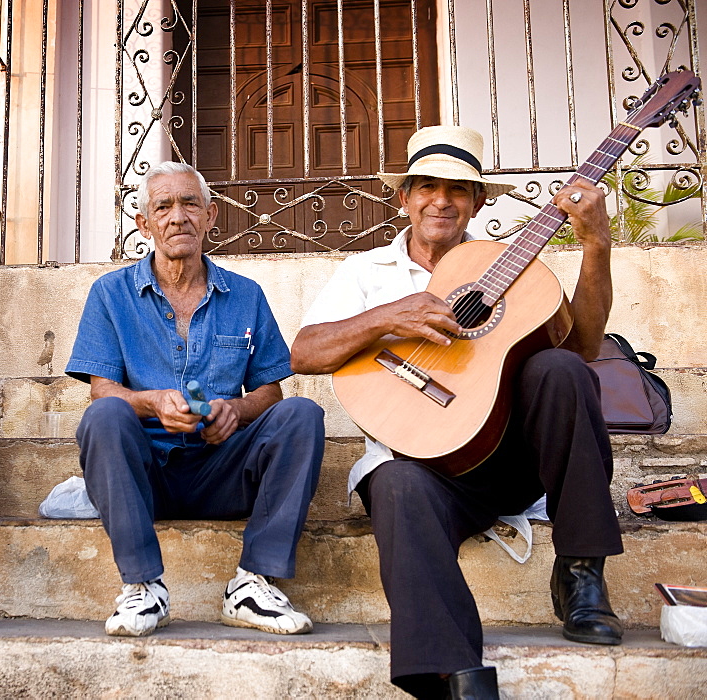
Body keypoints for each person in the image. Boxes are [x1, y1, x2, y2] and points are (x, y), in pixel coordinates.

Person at [291, 126, 622, 699]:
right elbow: (304, 353)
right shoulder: (367, 274)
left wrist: (595, 245)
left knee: (564, 370)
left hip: (506, 458)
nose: (440, 200)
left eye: (457, 189)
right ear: (405, 197)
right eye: (426, 186)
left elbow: (588, 345)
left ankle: (580, 574)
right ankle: (454, 678)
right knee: (391, 481)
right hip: (420, 467)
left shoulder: (513, 268)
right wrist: (386, 317)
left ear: (478, 202)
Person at [66, 162, 325, 637]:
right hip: (145, 475)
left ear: (210, 216)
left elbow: (270, 390)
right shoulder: (110, 294)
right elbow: (103, 388)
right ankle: (143, 586)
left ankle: (253, 583)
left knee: (301, 413)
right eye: (162, 206)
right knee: (104, 413)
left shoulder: (246, 295)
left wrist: (236, 410)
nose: (177, 216)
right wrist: (154, 402)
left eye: (190, 203)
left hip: (221, 469)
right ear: (144, 224)